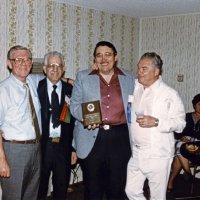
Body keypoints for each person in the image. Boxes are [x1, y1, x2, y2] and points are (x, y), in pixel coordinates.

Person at [70, 41, 135, 200]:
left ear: (115, 57)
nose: (103, 59)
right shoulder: (83, 76)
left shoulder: (129, 78)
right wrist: (85, 117)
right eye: (99, 55)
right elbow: (74, 104)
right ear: (94, 59)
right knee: (92, 188)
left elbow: (136, 105)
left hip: (120, 138)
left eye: (108, 54)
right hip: (91, 136)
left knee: (117, 186)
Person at [125, 52, 186, 200]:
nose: (139, 72)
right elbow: (117, 77)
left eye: (144, 69)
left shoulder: (169, 94)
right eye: (138, 68)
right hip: (136, 152)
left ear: (156, 71)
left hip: (158, 155)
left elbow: (180, 124)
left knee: (157, 196)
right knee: (131, 191)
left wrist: (157, 122)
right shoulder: (135, 87)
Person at [0, 45, 42, 200]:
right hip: (13, 151)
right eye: (18, 59)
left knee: (31, 195)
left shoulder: (34, 81)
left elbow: (54, 76)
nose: (24, 63)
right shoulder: (3, 90)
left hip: (36, 148)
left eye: (27, 59)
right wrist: (1, 160)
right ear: (9, 64)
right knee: (13, 196)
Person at [37, 51, 77, 200]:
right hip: (42, 147)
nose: (55, 69)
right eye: (51, 65)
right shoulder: (35, 87)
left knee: (61, 188)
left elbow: (74, 122)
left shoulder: (71, 90)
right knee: (40, 189)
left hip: (63, 147)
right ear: (44, 68)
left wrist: (73, 148)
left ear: (63, 68)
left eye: (58, 65)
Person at [167, 93, 200, 196]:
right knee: (180, 146)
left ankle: (172, 182)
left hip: (197, 146)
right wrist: (181, 137)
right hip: (183, 144)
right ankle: (188, 173)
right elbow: (176, 131)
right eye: (199, 104)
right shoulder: (186, 116)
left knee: (179, 153)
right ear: (194, 105)